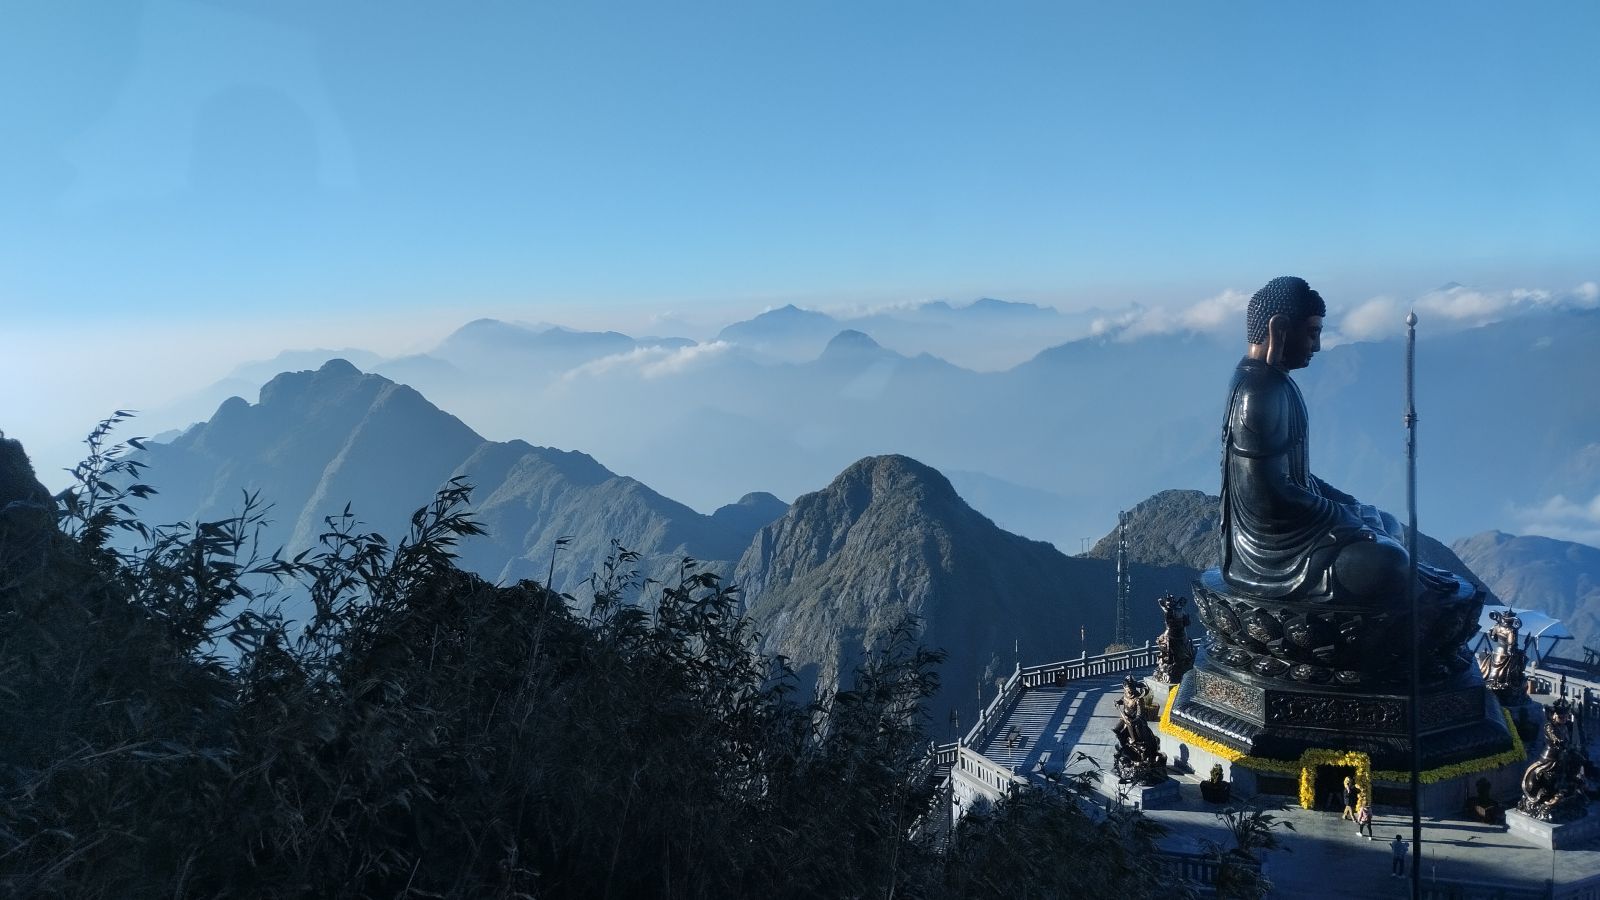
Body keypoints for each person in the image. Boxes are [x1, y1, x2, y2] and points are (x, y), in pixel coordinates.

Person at [1219, 276, 1447, 603]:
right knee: (1389, 563)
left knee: (1386, 522)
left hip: (1298, 529)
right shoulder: (1257, 393)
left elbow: (1298, 476)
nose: (1317, 346)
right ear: (1279, 329)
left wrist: (1347, 505)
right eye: (1312, 333)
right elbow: (1269, 495)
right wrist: (1341, 516)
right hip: (1273, 552)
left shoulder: (1275, 382)